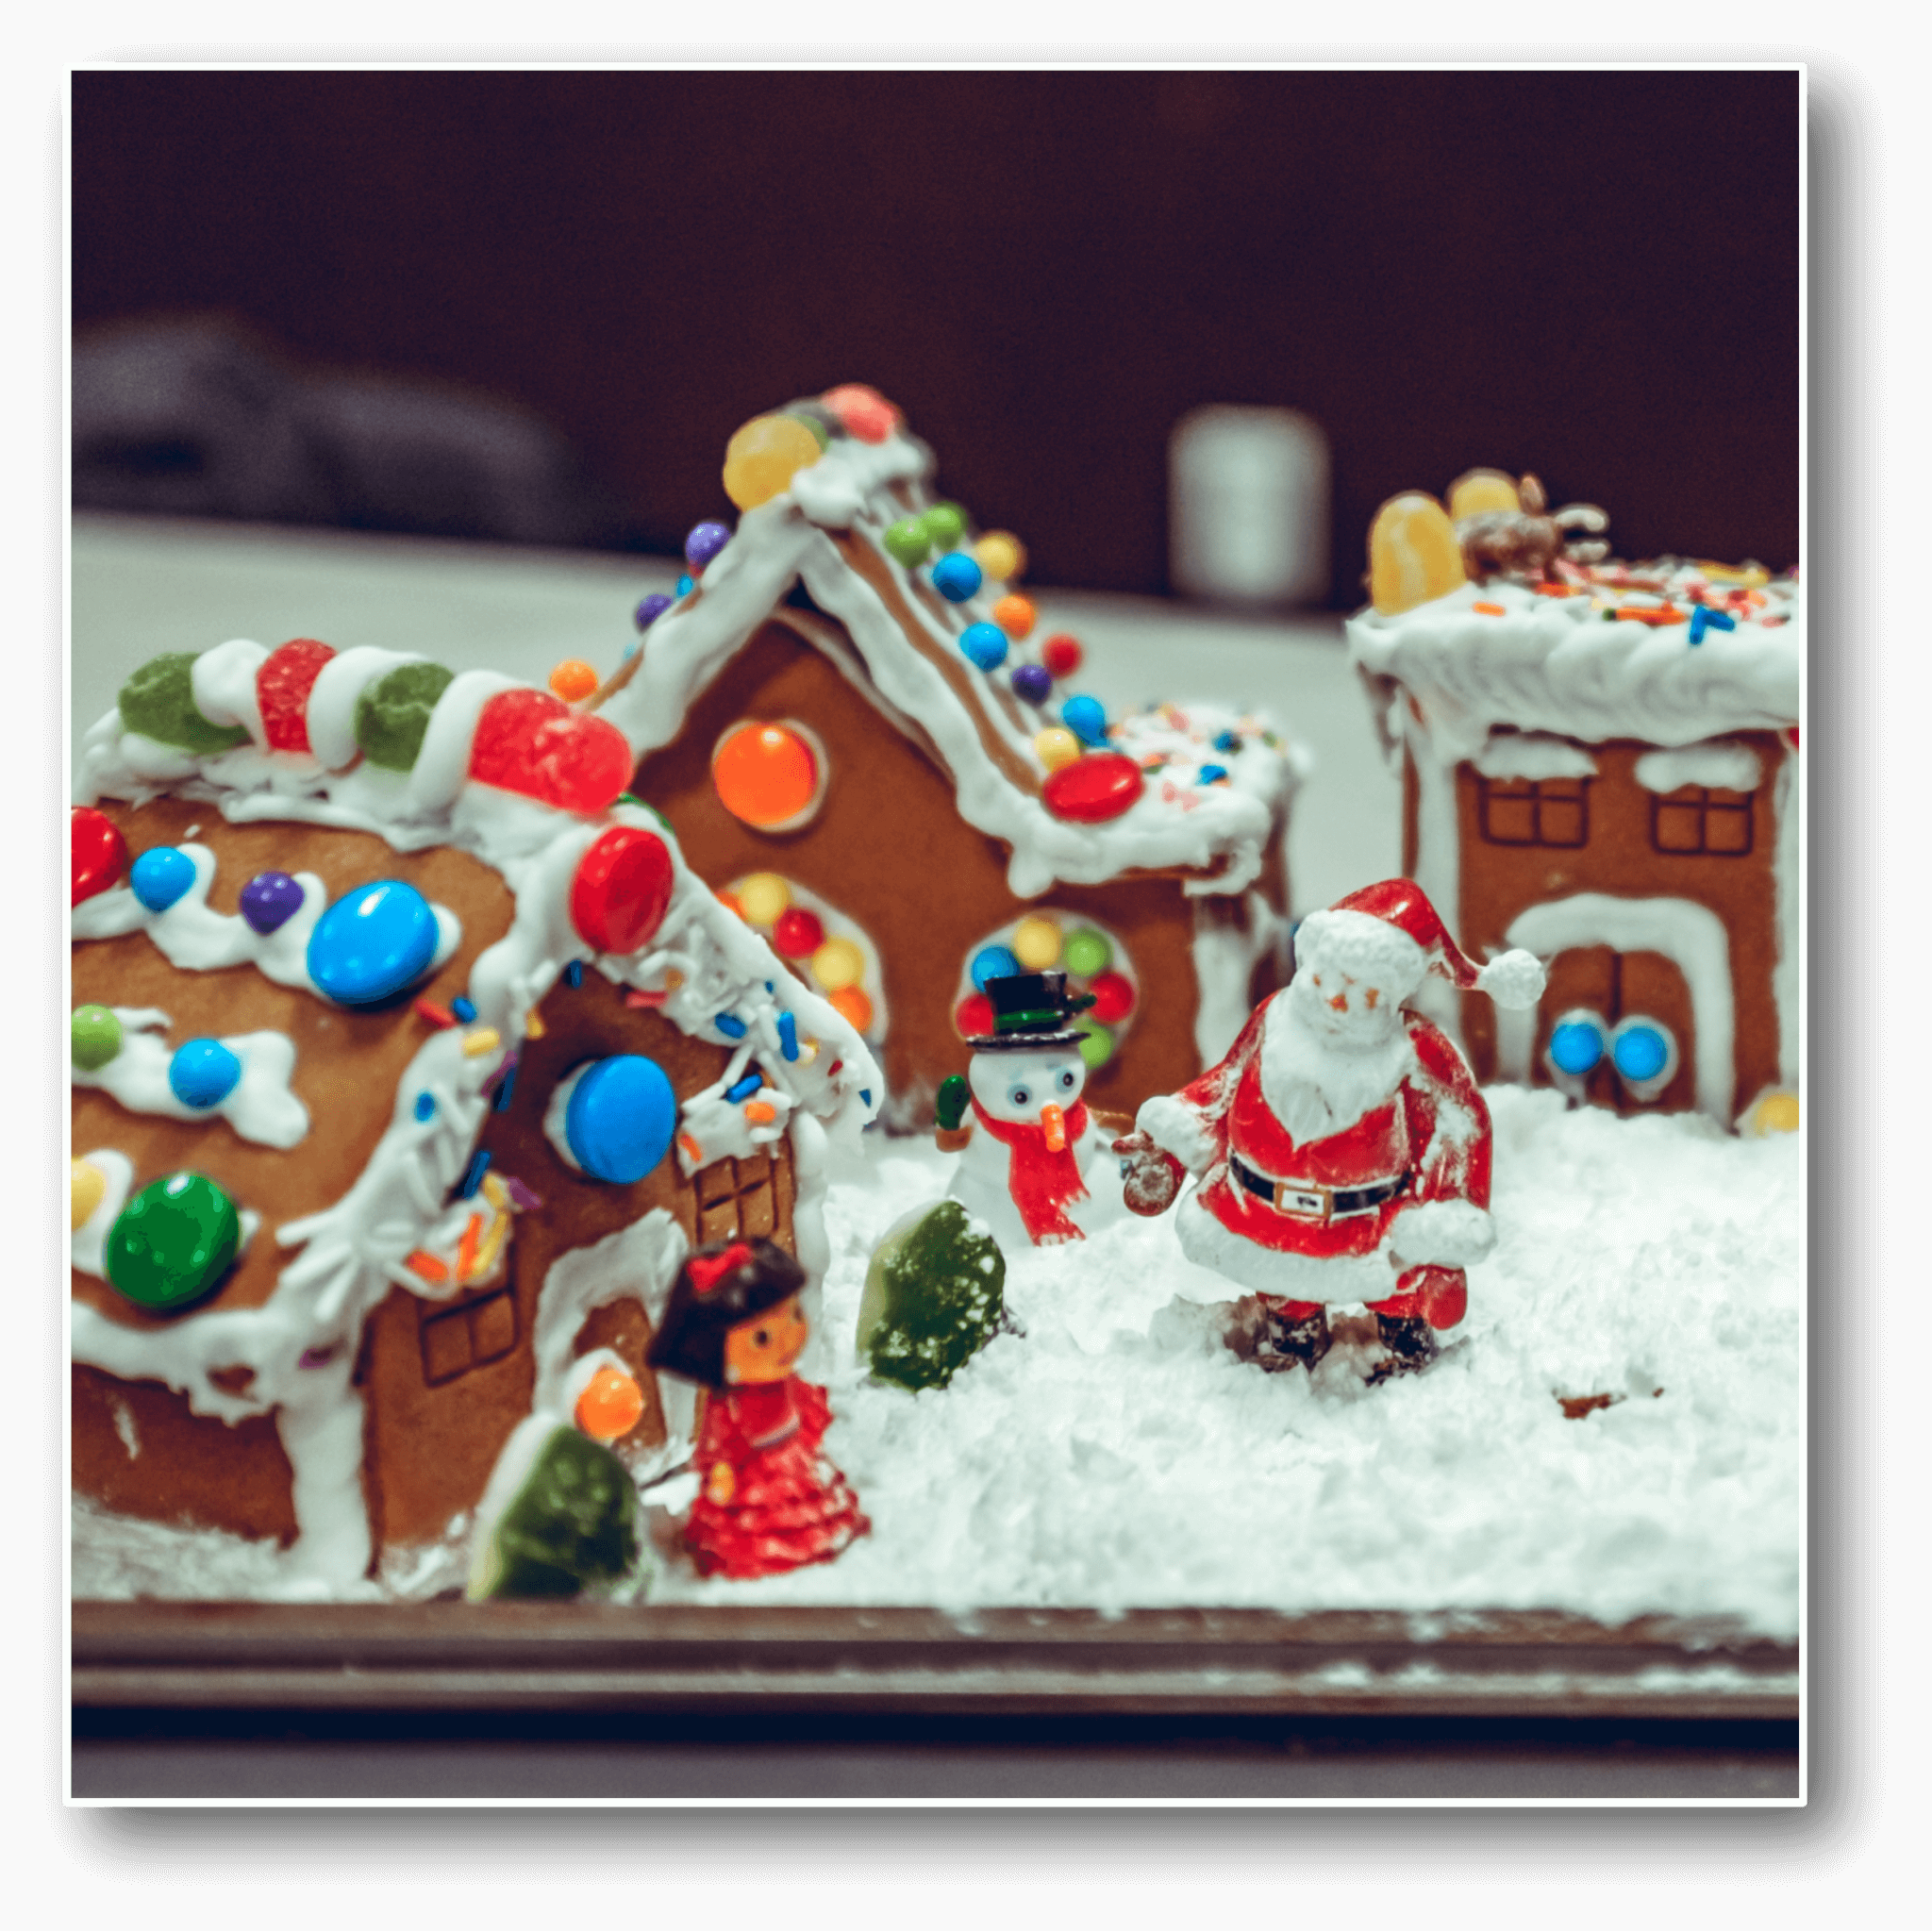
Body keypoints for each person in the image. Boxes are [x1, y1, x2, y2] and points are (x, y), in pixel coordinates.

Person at [1114, 879, 1544, 1379]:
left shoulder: (1413, 1048)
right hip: (1265, 1213)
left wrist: (1446, 1211)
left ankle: (1403, 1344)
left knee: (1399, 1288)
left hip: (1371, 1222)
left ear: (1393, 995)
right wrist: (1172, 1136)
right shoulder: (1275, 1018)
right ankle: (1294, 1339)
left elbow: (1461, 1122)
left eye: (1366, 993)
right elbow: (1224, 1083)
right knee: (1284, 1293)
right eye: (1325, 980)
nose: (1338, 1000)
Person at [644, 1239, 868, 1578]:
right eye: (761, 1338)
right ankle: (765, 1555)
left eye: (795, 1315)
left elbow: (804, 1407)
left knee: (810, 1504)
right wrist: (720, 1469)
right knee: (758, 1525)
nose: (789, 1338)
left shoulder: (787, 1384)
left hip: (796, 1462)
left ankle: (813, 1541)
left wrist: (810, 1419)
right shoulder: (729, 1406)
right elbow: (718, 1442)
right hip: (755, 1479)